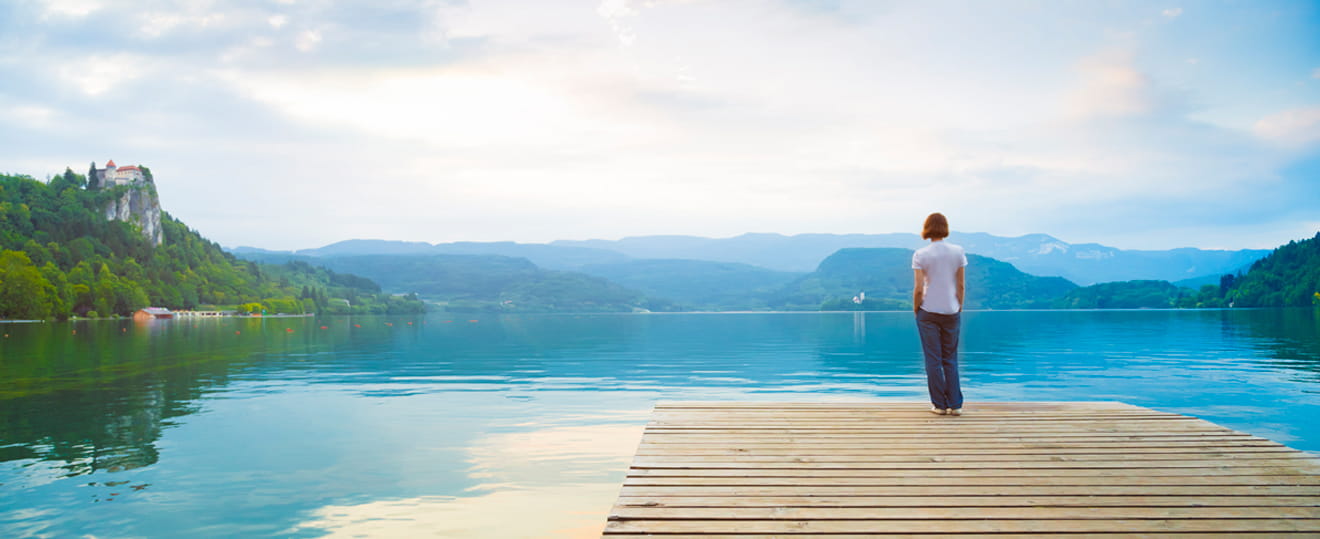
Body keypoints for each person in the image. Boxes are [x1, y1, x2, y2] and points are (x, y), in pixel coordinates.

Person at [911, 212, 967, 416]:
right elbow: (960, 284)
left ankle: (939, 405)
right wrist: (959, 305)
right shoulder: (958, 251)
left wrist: (916, 307)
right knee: (950, 358)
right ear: (945, 228)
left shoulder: (920, 254)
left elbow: (918, 288)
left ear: (926, 228)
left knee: (933, 359)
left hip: (927, 311)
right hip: (951, 310)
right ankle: (956, 405)